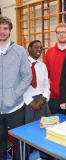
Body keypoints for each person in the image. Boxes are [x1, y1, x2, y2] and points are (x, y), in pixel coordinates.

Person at [0, 16, 32, 160]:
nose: (2, 31)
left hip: (15, 107)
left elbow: (27, 76)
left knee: (20, 143)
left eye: (5, 28)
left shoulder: (19, 51)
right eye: (0, 28)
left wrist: (14, 95)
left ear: (10, 30)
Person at [23, 40, 50, 159]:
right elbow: (19, 86)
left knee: (42, 128)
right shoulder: (22, 64)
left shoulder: (42, 65)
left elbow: (46, 85)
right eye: (36, 47)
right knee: (28, 129)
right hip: (26, 100)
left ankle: (43, 155)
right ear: (29, 49)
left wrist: (43, 99)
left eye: (41, 48)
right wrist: (30, 102)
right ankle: (25, 155)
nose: (39, 50)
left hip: (41, 99)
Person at [44, 22, 66, 115]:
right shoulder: (50, 52)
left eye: (64, 32)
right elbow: (45, 72)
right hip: (54, 96)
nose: (61, 35)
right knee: (55, 125)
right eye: (59, 32)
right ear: (56, 34)